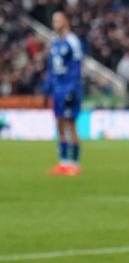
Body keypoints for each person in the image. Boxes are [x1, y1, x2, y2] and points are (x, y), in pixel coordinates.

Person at [43, 11, 84, 176]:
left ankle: (74, 164)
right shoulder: (54, 43)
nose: (56, 23)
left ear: (66, 21)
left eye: (59, 20)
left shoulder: (73, 41)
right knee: (59, 125)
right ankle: (63, 163)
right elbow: (51, 69)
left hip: (70, 88)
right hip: (57, 90)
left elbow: (76, 68)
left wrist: (72, 90)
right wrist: (47, 89)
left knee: (70, 124)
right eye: (54, 20)